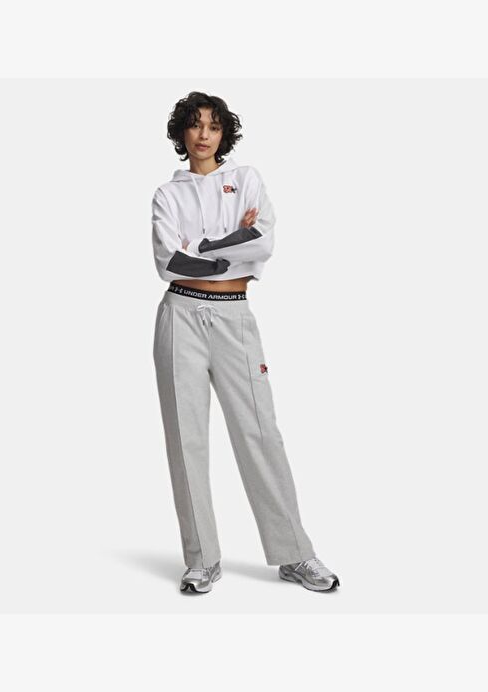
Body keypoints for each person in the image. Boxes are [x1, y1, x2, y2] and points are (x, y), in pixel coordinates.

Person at [151, 91, 340, 594]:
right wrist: (232, 243)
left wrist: (203, 247)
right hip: (180, 315)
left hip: (234, 316)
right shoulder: (167, 195)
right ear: (182, 132)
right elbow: (169, 262)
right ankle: (201, 559)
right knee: (186, 439)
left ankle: (294, 553)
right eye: (195, 125)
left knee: (260, 432)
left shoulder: (247, 179)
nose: (204, 134)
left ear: (224, 133)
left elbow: (264, 242)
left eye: (213, 126)